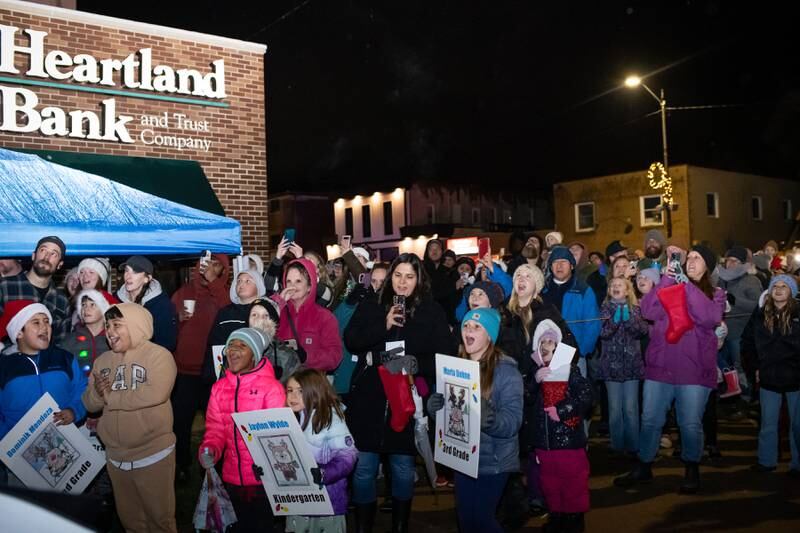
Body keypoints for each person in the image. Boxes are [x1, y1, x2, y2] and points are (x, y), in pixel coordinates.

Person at [344, 253, 455, 533]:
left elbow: (445, 355)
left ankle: (400, 526)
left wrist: (412, 364)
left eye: (409, 276)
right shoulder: (372, 304)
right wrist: (383, 325)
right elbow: (352, 340)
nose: (402, 283)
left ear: (419, 279)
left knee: (403, 468)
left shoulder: (431, 310)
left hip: (405, 399)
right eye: (398, 275)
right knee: (364, 468)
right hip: (369, 398)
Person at [615, 245, 725, 494]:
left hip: (693, 371)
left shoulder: (716, 293)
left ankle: (691, 467)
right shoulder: (671, 284)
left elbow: (709, 317)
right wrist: (666, 278)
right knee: (650, 419)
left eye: (698, 258)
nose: (692, 261)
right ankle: (644, 465)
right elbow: (648, 310)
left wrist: (686, 286)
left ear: (708, 266)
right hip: (660, 366)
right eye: (690, 258)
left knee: (689, 423)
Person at [82, 303, 178, 532]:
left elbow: (156, 393)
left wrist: (111, 397)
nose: (110, 332)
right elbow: (89, 403)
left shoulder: (159, 356)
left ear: (136, 325)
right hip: (116, 457)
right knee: (131, 522)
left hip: (152, 453)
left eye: (117, 325)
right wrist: (97, 393)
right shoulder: (103, 361)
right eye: (107, 326)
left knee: (159, 521)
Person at [427, 308, 523, 533]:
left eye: (477, 327)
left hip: (494, 462)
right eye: (466, 326)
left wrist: (491, 420)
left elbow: (513, 421)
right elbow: (452, 415)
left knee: (482, 520)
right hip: (464, 458)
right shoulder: (455, 367)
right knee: (466, 520)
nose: (469, 330)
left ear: (490, 335)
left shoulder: (506, 372)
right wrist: (436, 409)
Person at [199, 328, 286, 532]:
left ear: (254, 354)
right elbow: (216, 429)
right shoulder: (219, 388)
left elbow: (278, 437)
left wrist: (266, 466)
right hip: (231, 480)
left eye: (242, 345)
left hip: (262, 483)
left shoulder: (271, 388)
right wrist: (210, 448)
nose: (233, 350)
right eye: (230, 345)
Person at [169, 253, 231, 482]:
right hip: (183, 372)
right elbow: (168, 329)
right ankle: (181, 466)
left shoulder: (222, 294)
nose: (210, 268)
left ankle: (217, 468)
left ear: (223, 272)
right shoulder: (183, 293)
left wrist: (214, 282)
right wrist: (178, 318)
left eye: (217, 265)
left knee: (216, 426)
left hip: (212, 374)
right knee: (180, 423)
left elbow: (228, 313)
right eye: (207, 263)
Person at [529, 319, 593, 532]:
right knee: (550, 482)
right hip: (544, 443)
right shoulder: (536, 373)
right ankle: (557, 515)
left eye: (550, 341)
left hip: (568, 441)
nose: (545, 345)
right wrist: (533, 382)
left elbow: (586, 396)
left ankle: (574, 518)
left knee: (573, 480)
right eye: (541, 342)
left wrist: (563, 410)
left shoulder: (569, 370)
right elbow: (525, 400)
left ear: (558, 347)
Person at [0, 301, 87, 442]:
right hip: (16, 455)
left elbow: (82, 389)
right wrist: (9, 441)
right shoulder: (3, 366)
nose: (44, 327)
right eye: (36, 322)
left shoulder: (65, 358)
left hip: (66, 441)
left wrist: (73, 411)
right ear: (19, 332)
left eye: (46, 321)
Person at [285, 368, 358, 533]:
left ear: (315, 392)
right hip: (297, 502)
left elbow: (348, 455)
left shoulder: (329, 418)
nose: (293, 396)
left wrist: (325, 473)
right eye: (290, 390)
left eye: (300, 391)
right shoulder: (288, 419)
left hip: (328, 502)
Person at [741, 275, 800, 477]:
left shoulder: (798, 314)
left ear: (792, 292)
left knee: (797, 424)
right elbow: (747, 343)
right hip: (768, 377)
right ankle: (766, 461)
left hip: (796, 378)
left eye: (785, 286)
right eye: (776, 286)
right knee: (768, 423)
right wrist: (754, 368)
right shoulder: (760, 315)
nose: (779, 289)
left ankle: (797, 464)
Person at [598, 277, 648, 455]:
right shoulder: (604, 309)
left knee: (630, 408)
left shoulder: (635, 309)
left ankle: (634, 445)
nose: (615, 287)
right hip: (610, 366)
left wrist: (627, 319)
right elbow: (602, 333)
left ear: (627, 291)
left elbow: (641, 331)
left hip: (631, 365)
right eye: (612, 285)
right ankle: (617, 444)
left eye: (619, 285)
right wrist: (614, 320)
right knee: (614, 409)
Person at [541, 246, 601, 379]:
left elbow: (593, 324)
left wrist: (581, 351)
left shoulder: (583, 290)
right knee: (552, 396)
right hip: (546, 353)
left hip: (574, 353)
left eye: (564, 262)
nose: (559, 266)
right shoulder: (542, 291)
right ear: (550, 267)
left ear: (572, 266)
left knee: (577, 396)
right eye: (555, 262)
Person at [274, 258, 342, 371]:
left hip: (310, 383)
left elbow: (334, 356)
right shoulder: (278, 311)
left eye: (298, 281)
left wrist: (306, 357)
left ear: (310, 286)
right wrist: (278, 304)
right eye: (289, 281)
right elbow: (261, 336)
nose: (292, 286)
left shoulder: (324, 317)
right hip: (282, 383)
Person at [0, 236, 71, 342]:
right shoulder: (5, 286)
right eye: (43, 250)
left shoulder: (62, 301)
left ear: (60, 264)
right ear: (33, 256)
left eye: (54, 254)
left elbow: (62, 343)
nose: (47, 257)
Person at [202, 268, 267, 383]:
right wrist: (210, 374)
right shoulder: (225, 312)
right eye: (239, 281)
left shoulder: (265, 311)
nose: (242, 284)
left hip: (256, 376)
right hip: (226, 373)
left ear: (259, 286)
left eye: (248, 281)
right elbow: (213, 344)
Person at [717, 246, 762, 400]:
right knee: (724, 366)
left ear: (743, 263)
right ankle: (731, 393)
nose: (730, 264)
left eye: (735, 261)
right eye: (728, 260)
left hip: (740, 333)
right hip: (722, 332)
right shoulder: (722, 279)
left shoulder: (751, 280)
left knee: (740, 365)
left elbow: (757, 305)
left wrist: (735, 301)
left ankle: (746, 395)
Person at [116, 256, 177, 352]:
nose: (128, 276)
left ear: (147, 278)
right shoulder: (117, 301)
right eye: (127, 270)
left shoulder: (161, 305)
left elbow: (167, 343)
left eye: (135, 272)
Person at [61, 290, 114, 376]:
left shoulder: (112, 339)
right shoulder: (69, 341)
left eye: (92, 304)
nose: (86, 309)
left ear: (103, 309)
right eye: (83, 305)